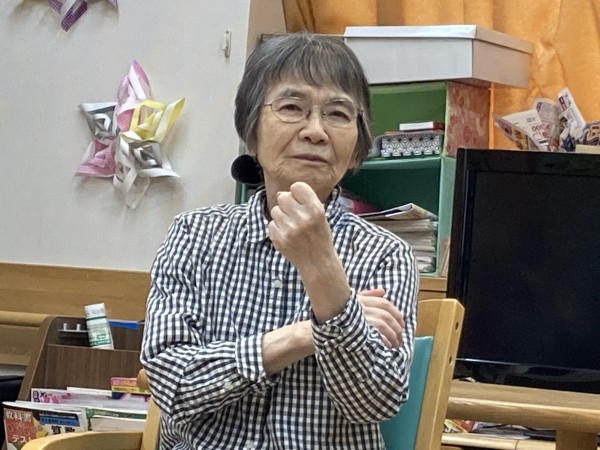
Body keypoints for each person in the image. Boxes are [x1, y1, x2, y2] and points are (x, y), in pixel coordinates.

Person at [141, 31, 418, 450]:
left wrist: (323, 270)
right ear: (251, 132)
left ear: (358, 145)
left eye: (338, 114)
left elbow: (375, 403)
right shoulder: (194, 235)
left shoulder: (386, 254)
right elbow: (171, 383)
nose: (316, 131)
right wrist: (304, 335)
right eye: (292, 108)